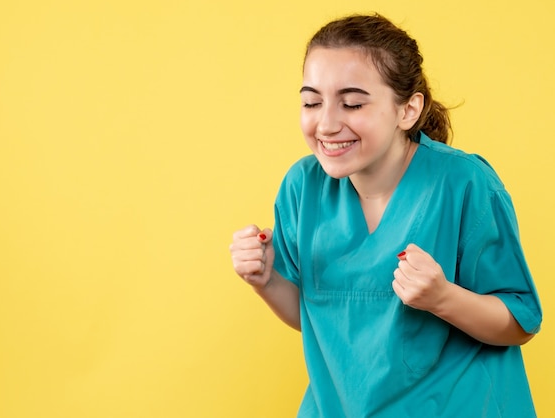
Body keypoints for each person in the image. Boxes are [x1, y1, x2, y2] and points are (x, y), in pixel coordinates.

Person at [229, 13, 542, 418]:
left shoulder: (463, 184)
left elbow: (520, 321)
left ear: (408, 110)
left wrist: (443, 298)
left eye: (353, 103)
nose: (326, 123)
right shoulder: (302, 188)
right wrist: (267, 279)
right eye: (311, 102)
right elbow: (318, 318)